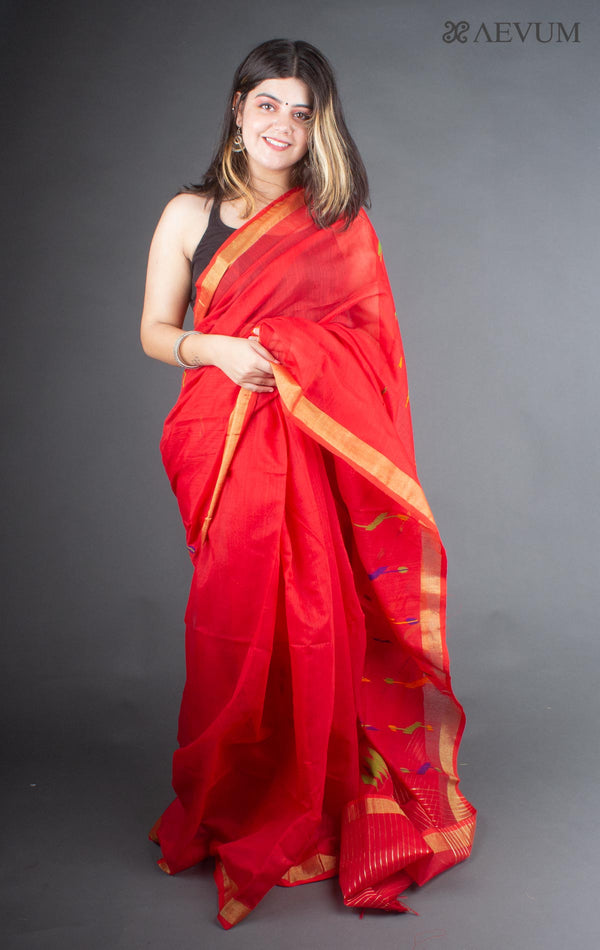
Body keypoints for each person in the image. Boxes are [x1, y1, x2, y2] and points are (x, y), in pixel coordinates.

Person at [140, 38, 476, 930]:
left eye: (302, 112)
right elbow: (154, 330)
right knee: (231, 623)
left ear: (319, 124)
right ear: (238, 109)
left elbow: (373, 350)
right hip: (224, 445)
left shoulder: (340, 224)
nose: (282, 125)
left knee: (320, 619)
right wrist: (217, 350)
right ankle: (233, 796)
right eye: (268, 106)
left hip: (317, 453)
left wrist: (294, 354)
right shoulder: (188, 214)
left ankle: (320, 798)